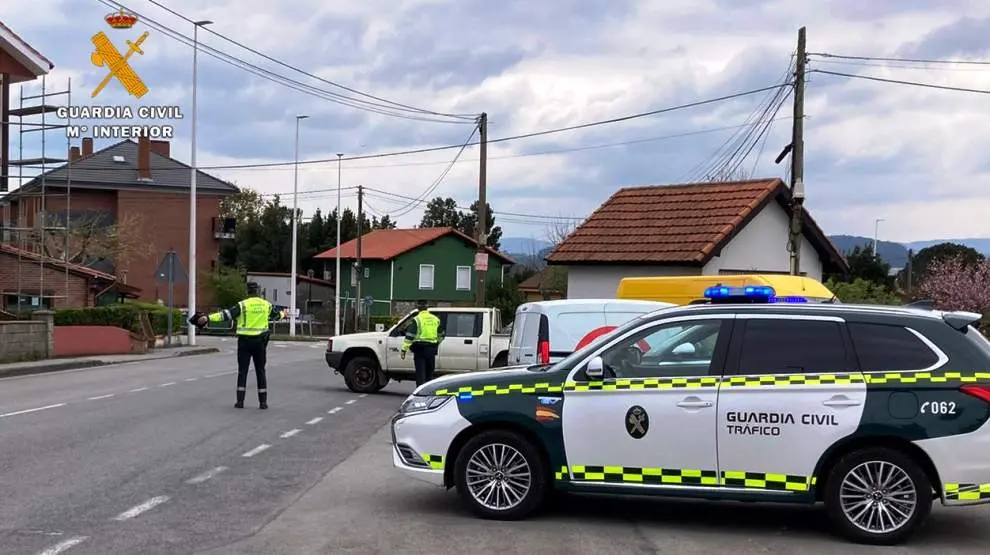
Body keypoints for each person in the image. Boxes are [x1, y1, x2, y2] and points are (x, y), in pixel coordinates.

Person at [189, 282, 285, 409]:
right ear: (259, 292)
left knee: (242, 371)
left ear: (247, 292)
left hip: (244, 342)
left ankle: (240, 401)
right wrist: (284, 314)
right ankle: (263, 402)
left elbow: (225, 315)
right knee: (260, 371)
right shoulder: (266, 305)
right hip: (260, 343)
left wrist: (208, 318)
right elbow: (277, 316)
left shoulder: (242, 305)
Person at [401, 300, 445, 386]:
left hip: (420, 349)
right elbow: (441, 334)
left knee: (420, 374)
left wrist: (404, 350)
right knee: (429, 373)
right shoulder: (435, 319)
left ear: (418, 308)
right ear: (427, 307)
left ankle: (420, 395)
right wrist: (436, 343)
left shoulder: (417, 319)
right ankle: (428, 393)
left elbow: (410, 336)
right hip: (431, 349)